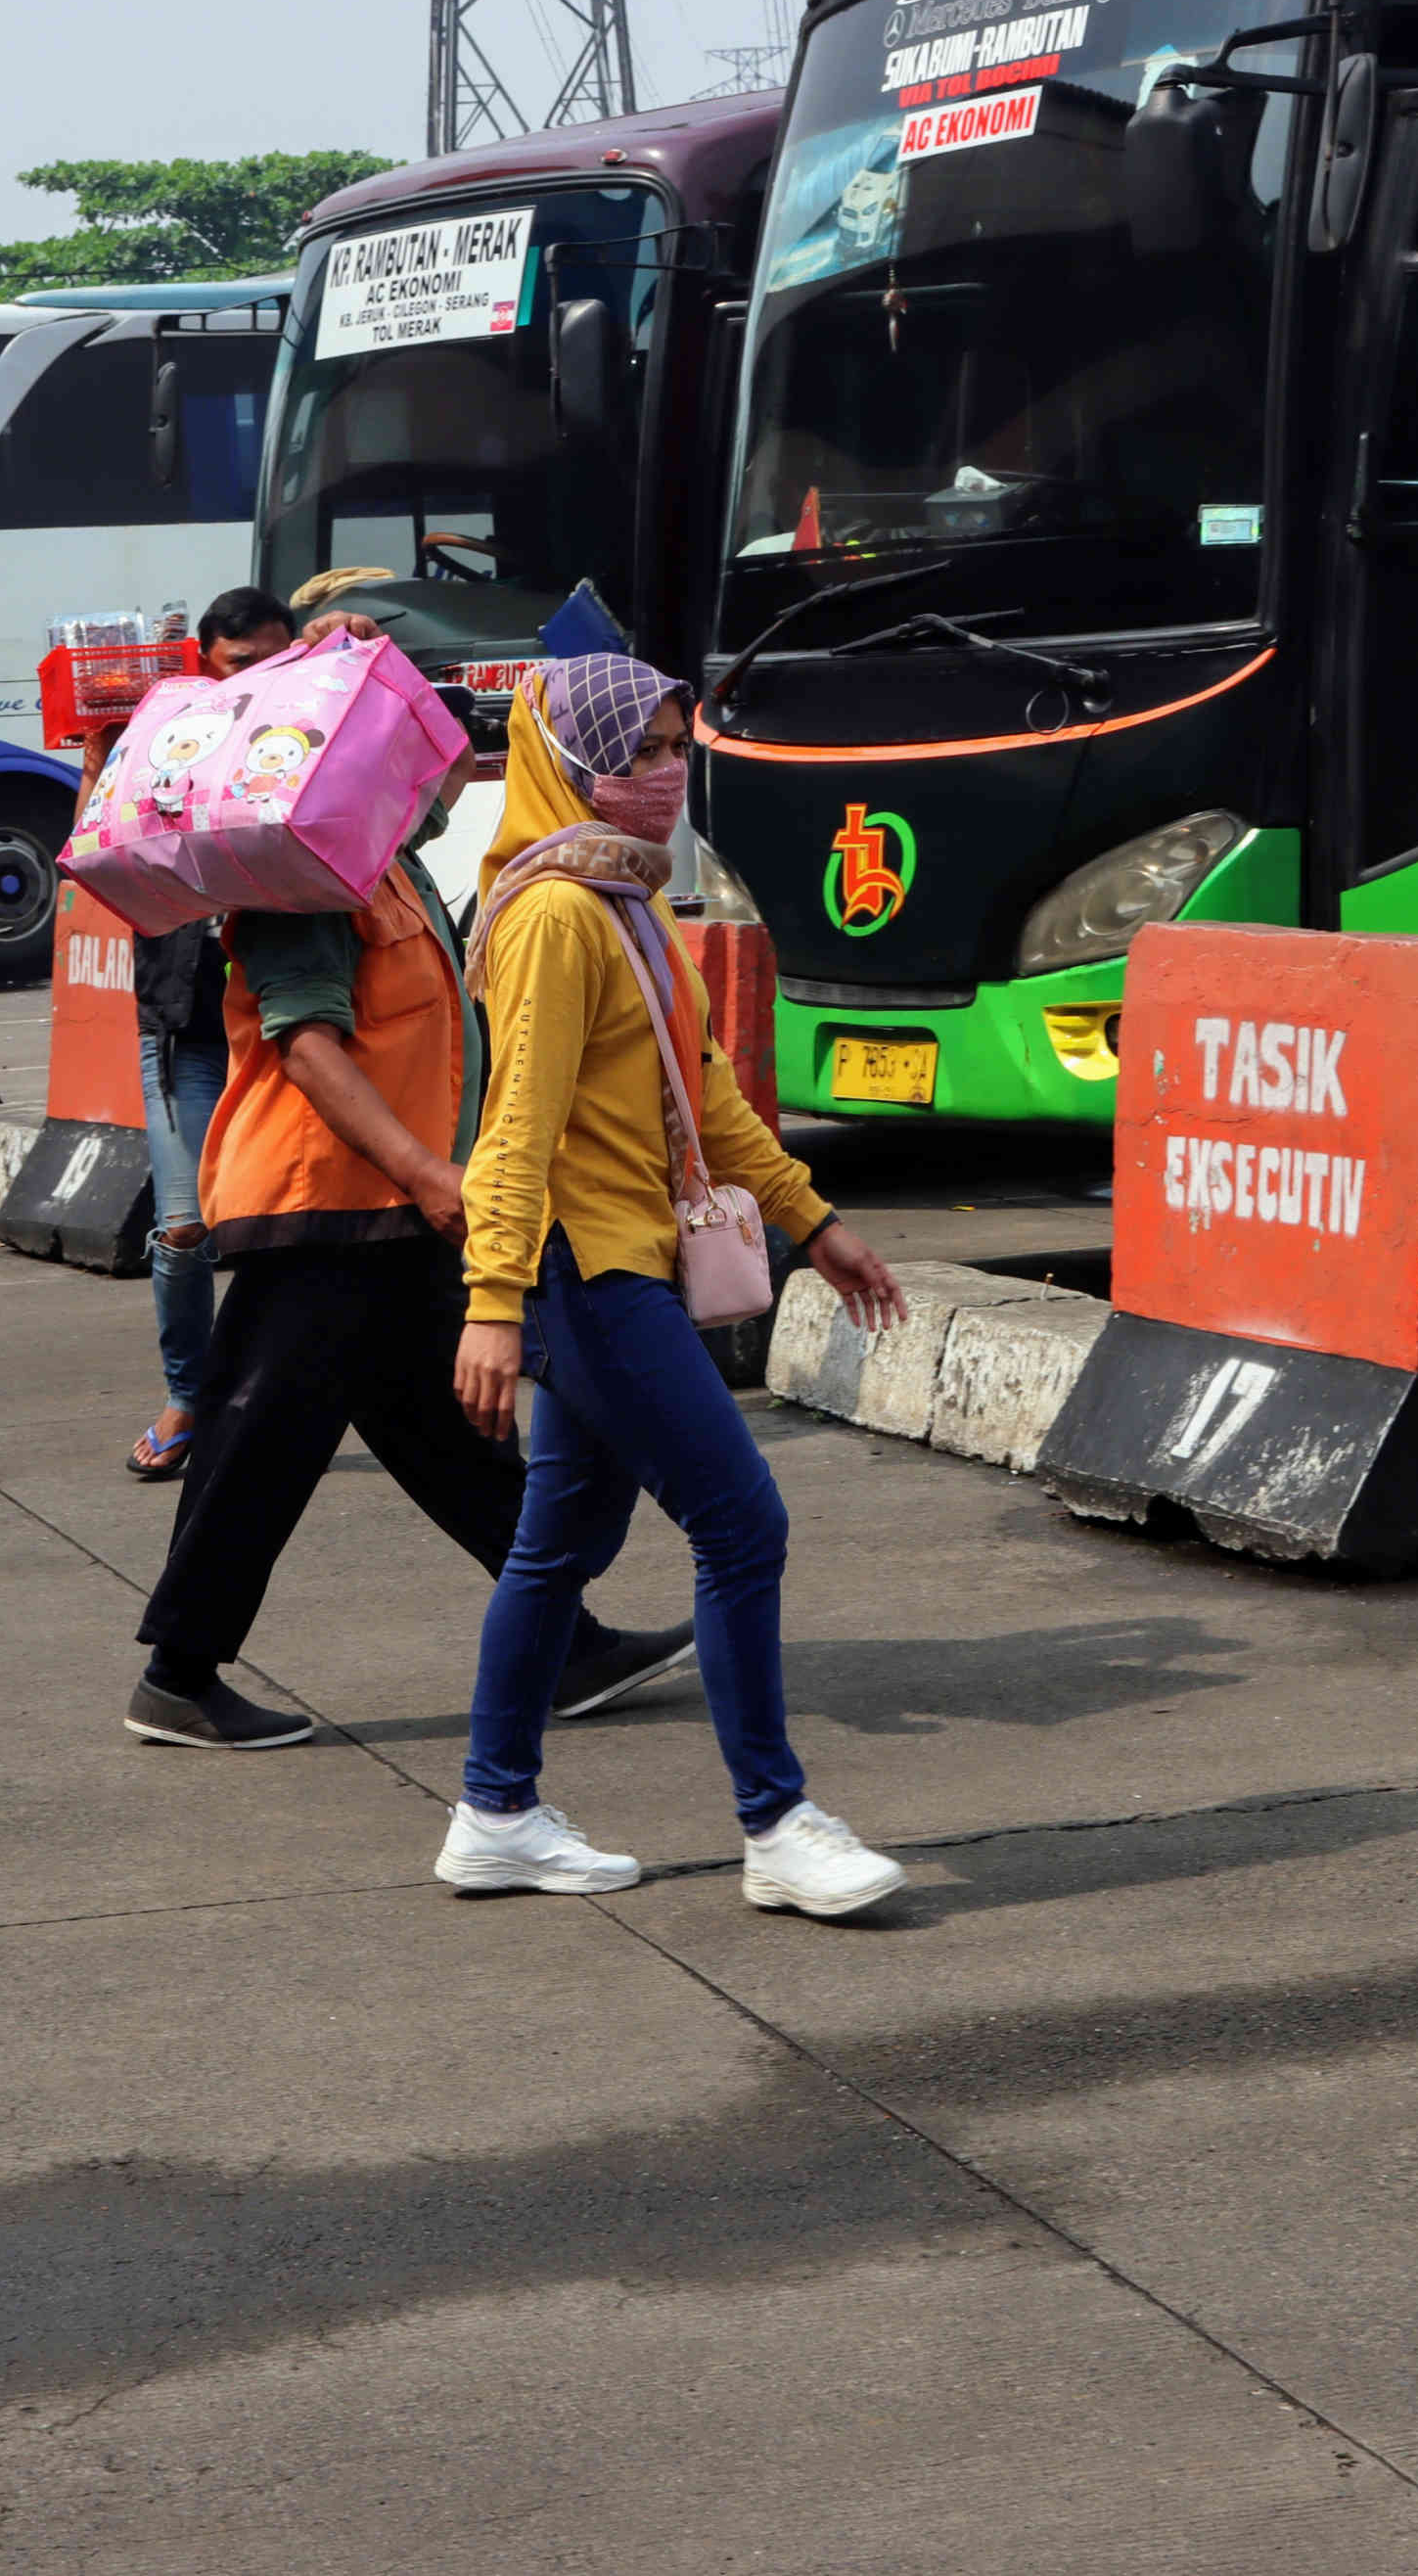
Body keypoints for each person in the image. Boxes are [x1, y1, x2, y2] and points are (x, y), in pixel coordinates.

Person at [125, 620, 697, 1750]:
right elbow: (310, 1048)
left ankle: (567, 1643)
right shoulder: (297, 883)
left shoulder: (375, 855)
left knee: (449, 1431)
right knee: (261, 1438)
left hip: (381, 1204)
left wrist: (369, 673)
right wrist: (431, 1172)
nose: (411, 766)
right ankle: (179, 1671)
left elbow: (439, 777)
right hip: (323, 1202)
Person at [438, 654, 914, 1916]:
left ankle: (494, 1809)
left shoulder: (621, 900)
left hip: (628, 1252)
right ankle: (774, 1820)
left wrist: (815, 1222)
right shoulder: (550, 915)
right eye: (635, 752)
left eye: (668, 748)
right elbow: (514, 1125)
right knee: (741, 1524)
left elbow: (700, 1097)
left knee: (558, 1544)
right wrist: (493, 1302)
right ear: (565, 762)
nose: (662, 775)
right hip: (588, 1267)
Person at [118, 588, 307, 1481]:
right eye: (242, 662)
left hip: (293, 1024)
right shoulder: (164, 732)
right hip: (187, 1025)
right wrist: (100, 764)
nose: (262, 675)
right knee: (186, 1228)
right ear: (205, 659)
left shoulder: (307, 735)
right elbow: (99, 846)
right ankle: (189, 1396)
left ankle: (304, 1392)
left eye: (278, 655)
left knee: (313, 1225)